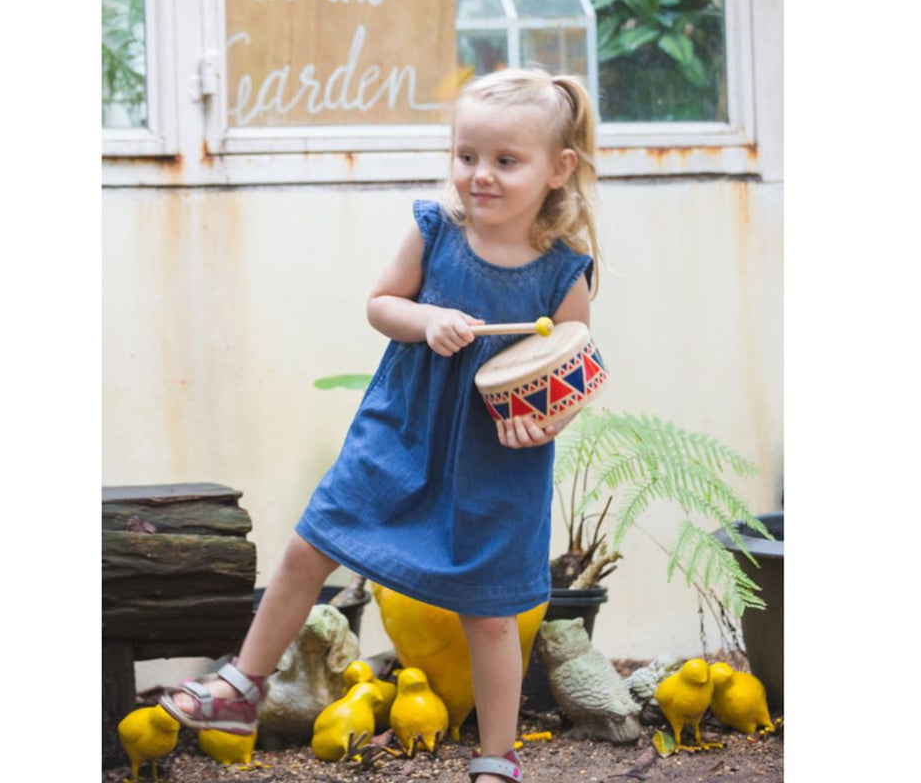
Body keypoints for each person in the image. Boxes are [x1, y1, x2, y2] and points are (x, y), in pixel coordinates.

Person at [160, 67, 601, 783]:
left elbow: (574, 364)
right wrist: (427, 320)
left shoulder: (563, 274)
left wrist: (547, 422)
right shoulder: (436, 233)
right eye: (467, 156)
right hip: (402, 433)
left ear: (559, 169)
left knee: (491, 614)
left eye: (505, 161)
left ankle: (499, 757)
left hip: (496, 460)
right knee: (311, 546)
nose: (479, 176)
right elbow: (380, 304)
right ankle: (241, 686)